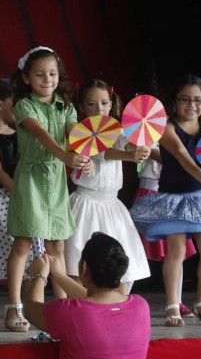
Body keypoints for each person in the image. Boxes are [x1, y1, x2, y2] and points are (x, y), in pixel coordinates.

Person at [130, 74, 201, 326]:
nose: (192, 105)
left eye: (198, 100)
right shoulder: (167, 128)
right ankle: (172, 305)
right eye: (185, 100)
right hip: (173, 199)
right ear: (175, 101)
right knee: (177, 251)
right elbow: (182, 156)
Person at [5, 46, 92, 332]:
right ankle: (14, 307)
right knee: (24, 243)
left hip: (56, 181)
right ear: (27, 78)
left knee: (57, 246)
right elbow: (42, 135)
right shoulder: (24, 106)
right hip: (31, 177)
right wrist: (65, 156)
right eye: (40, 74)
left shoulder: (66, 107)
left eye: (52, 74)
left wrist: (82, 157)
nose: (47, 79)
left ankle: (62, 308)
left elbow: (73, 135)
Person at [64, 79, 151, 295]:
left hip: (112, 206)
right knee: (76, 257)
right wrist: (129, 155)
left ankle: (117, 304)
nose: (99, 109)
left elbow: (125, 142)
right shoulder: (79, 132)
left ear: (111, 104)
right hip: (85, 204)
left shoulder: (118, 130)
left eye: (104, 103)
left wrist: (138, 147)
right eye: (92, 104)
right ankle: (80, 305)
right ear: (82, 107)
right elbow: (104, 151)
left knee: (123, 258)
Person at [0, 78, 45, 327]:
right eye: (17, 102)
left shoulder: (22, 132)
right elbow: (0, 174)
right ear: (0, 103)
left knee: (26, 252)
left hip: (25, 198)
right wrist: (22, 192)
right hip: (1, 200)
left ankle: (23, 307)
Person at [24, 232, 151, 359]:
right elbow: (97, 302)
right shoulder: (141, 306)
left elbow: (30, 309)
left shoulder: (68, 311)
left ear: (83, 267)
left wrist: (39, 276)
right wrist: (59, 276)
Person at [133, 142, 197, 317]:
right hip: (149, 192)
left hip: (173, 195)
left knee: (177, 250)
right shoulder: (143, 129)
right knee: (134, 248)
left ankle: (177, 300)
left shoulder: (177, 132)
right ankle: (122, 297)